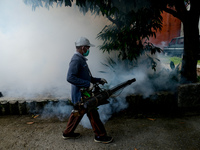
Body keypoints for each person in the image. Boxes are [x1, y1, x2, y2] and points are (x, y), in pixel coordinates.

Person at [62, 37, 113, 144]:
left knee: (78, 113)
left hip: (82, 95)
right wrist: (87, 84)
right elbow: (70, 77)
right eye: (88, 48)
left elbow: (86, 77)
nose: (88, 50)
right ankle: (100, 136)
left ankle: (68, 133)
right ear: (83, 47)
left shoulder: (80, 59)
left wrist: (98, 80)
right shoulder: (76, 60)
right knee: (93, 113)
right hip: (82, 95)